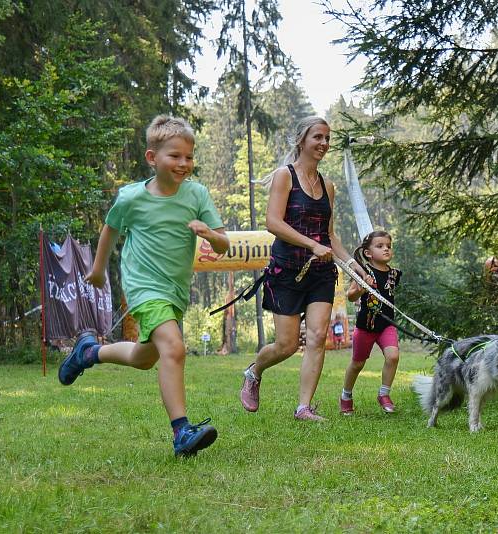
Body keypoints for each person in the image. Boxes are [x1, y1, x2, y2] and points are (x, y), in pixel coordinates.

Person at [58, 115, 229, 457]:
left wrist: (209, 234)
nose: (183, 164)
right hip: (143, 286)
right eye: (175, 156)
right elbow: (110, 229)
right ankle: (182, 432)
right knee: (175, 348)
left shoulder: (197, 195)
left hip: (174, 291)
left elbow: (223, 244)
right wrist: (97, 270)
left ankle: (89, 352)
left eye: (189, 157)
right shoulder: (132, 198)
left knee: (145, 358)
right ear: (153, 158)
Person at [239, 116, 370, 421]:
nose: (324, 143)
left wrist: (355, 267)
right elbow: (273, 222)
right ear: (302, 140)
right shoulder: (285, 177)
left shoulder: (328, 186)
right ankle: (254, 371)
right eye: (318, 137)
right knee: (285, 345)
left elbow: (331, 236)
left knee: (316, 336)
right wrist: (312, 245)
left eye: (327, 138)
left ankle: (303, 407)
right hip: (286, 270)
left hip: (320, 274)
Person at [340, 230, 402, 415]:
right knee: (357, 364)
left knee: (393, 356)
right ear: (368, 253)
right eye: (380, 246)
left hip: (386, 325)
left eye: (388, 246)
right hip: (365, 327)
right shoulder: (363, 271)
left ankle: (384, 394)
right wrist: (360, 289)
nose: (386, 249)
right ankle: (346, 396)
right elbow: (351, 296)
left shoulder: (394, 274)